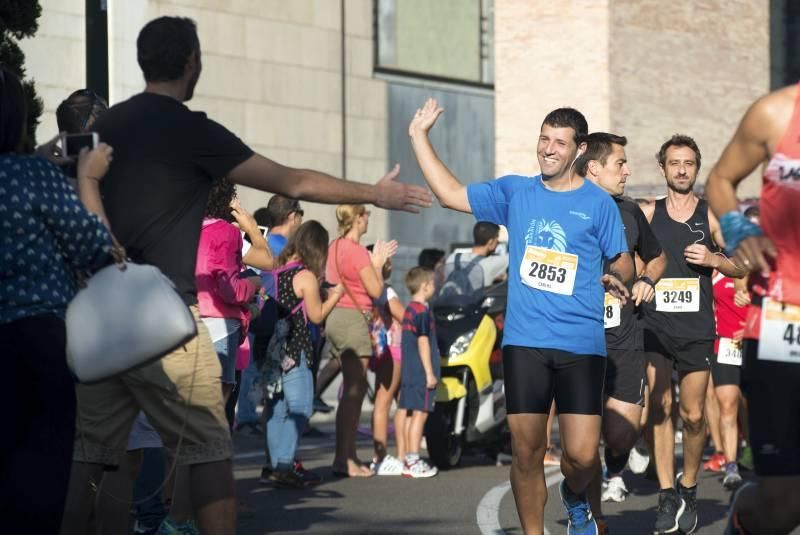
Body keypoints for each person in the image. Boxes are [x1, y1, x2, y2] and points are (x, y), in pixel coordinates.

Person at [62, 16, 430, 535]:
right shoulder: (194, 131)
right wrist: (374, 193)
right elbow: (292, 179)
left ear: (144, 59)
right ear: (193, 62)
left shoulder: (106, 129)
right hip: (167, 316)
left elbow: (54, 169)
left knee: (96, 460)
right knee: (209, 453)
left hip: (102, 318)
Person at [409, 98, 633, 535]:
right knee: (527, 451)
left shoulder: (598, 204)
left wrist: (618, 276)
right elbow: (450, 194)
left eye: (559, 142)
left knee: (583, 456)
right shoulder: (516, 192)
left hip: (581, 343)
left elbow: (622, 259)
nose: (547, 149)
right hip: (525, 342)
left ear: (580, 149)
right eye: (543, 139)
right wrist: (420, 137)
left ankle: (574, 495)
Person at [0, 67, 114, 533]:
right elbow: (95, 247)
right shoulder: (30, 175)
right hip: (35, 342)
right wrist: (86, 178)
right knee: (38, 483)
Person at [705, 81, 800, 535]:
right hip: (782, 323)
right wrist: (739, 230)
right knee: (783, 507)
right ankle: (744, 517)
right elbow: (721, 180)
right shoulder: (775, 113)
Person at [639, 134, 746, 535]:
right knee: (660, 406)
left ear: (697, 168)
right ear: (663, 168)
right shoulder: (649, 213)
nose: (681, 170)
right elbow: (630, 258)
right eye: (674, 163)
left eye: (688, 163)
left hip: (697, 328)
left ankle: (688, 486)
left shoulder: (710, 215)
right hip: (655, 325)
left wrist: (715, 258)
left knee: (695, 414)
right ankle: (667, 494)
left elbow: (741, 265)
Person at [576, 133, 668, 532]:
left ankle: (616, 464)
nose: (628, 170)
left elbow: (658, 255)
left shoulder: (630, 210)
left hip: (623, 334)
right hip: (576, 334)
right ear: (594, 167)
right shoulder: (569, 205)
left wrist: (646, 276)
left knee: (619, 435)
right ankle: (592, 518)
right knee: (582, 446)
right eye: (621, 163)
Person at [263, 221, 344, 488]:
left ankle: (274, 464)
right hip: (296, 349)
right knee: (300, 408)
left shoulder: (277, 270)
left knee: (276, 408)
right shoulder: (306, 276)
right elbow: (317, 315)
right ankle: (285, 464)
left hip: (273, 350)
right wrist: (335, 295)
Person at [325, 204, 397, 477]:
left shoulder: (334, 247)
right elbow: (377, 290)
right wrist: (376, 264)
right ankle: (344, 459)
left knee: (351, 391)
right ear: (356, 218)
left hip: (336, 316)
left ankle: (347, 456)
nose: (368, 218)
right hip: (354, 318)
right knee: (354, 393)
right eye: (365, 214)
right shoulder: (356, 251)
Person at [237, 195, 304, 433]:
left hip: (269, 312)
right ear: (292, 216)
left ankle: (253, 418)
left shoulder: (269, 242)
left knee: (261, 370)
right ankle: (246, 418)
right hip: (263, 312)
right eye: (300, 215)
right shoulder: (276, 245)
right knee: (255, 369)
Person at [196, 176, 264, 405]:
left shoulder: (186, 226)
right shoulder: (226, 232)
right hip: (220, 327)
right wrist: (254, 284)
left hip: (189, 321)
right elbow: (231, 290)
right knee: (215, 411)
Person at [366, 247, 406, 476]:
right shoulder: (386, 291)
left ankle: (397, 453)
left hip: (379, 347)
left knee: (390, 400)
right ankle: (380, 456)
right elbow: (403, 316)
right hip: (394, 348)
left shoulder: (367, 290)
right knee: (385, 401)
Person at [398, 266, 440, 478]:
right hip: (420, 373)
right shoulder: (422, 311)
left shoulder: (409, 309)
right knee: (419, 416)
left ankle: (407, 458)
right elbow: (423, 342)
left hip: (408, 371)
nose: (434, 287)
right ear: (425, 286)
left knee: (409, 415)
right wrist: (430, 373)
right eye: (432, 283)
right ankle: (414, 459)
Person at [440, 221, 509, 295]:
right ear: (491, 242)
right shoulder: (490, 264)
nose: (498, 243)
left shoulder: (453, 257)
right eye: (497, 240)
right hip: (473, 306)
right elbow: (516, 257)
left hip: (448, 303)